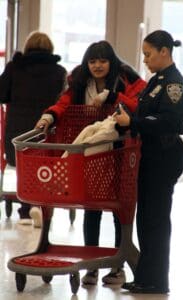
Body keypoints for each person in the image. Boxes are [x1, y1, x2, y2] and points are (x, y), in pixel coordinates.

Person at [35, 40, 146, 284]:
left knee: (120, 207)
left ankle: (117, 266)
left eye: (103, 61)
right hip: (88, 149)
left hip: (119, 150)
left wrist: (114, 96)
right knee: (91, 206)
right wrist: (48, 116)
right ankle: (93, 266)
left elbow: (140, 104)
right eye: (92, 61)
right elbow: (64, 103)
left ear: (111, 62)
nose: (97, 66)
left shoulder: (126, 78)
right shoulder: (79, 81)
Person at [114, 30, 183, 294]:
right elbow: (143, 110)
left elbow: (169, 121)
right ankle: (146, 277)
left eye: (148, 54)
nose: (144, 59)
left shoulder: (173, 84)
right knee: (146, 219)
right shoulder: (156, 81)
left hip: (165, 155)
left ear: (164, 52)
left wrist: (132, 122)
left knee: (156, 220)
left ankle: (157, 281)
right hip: (151, 155)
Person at [0, 31, 67, 226]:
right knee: (43, 168)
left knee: (24, 167)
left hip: (18, 130)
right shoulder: (59, 71)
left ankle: (26, 209)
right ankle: (40, 206)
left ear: (27, 48)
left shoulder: (15, 68)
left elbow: (1, 93)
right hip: (46, 129)